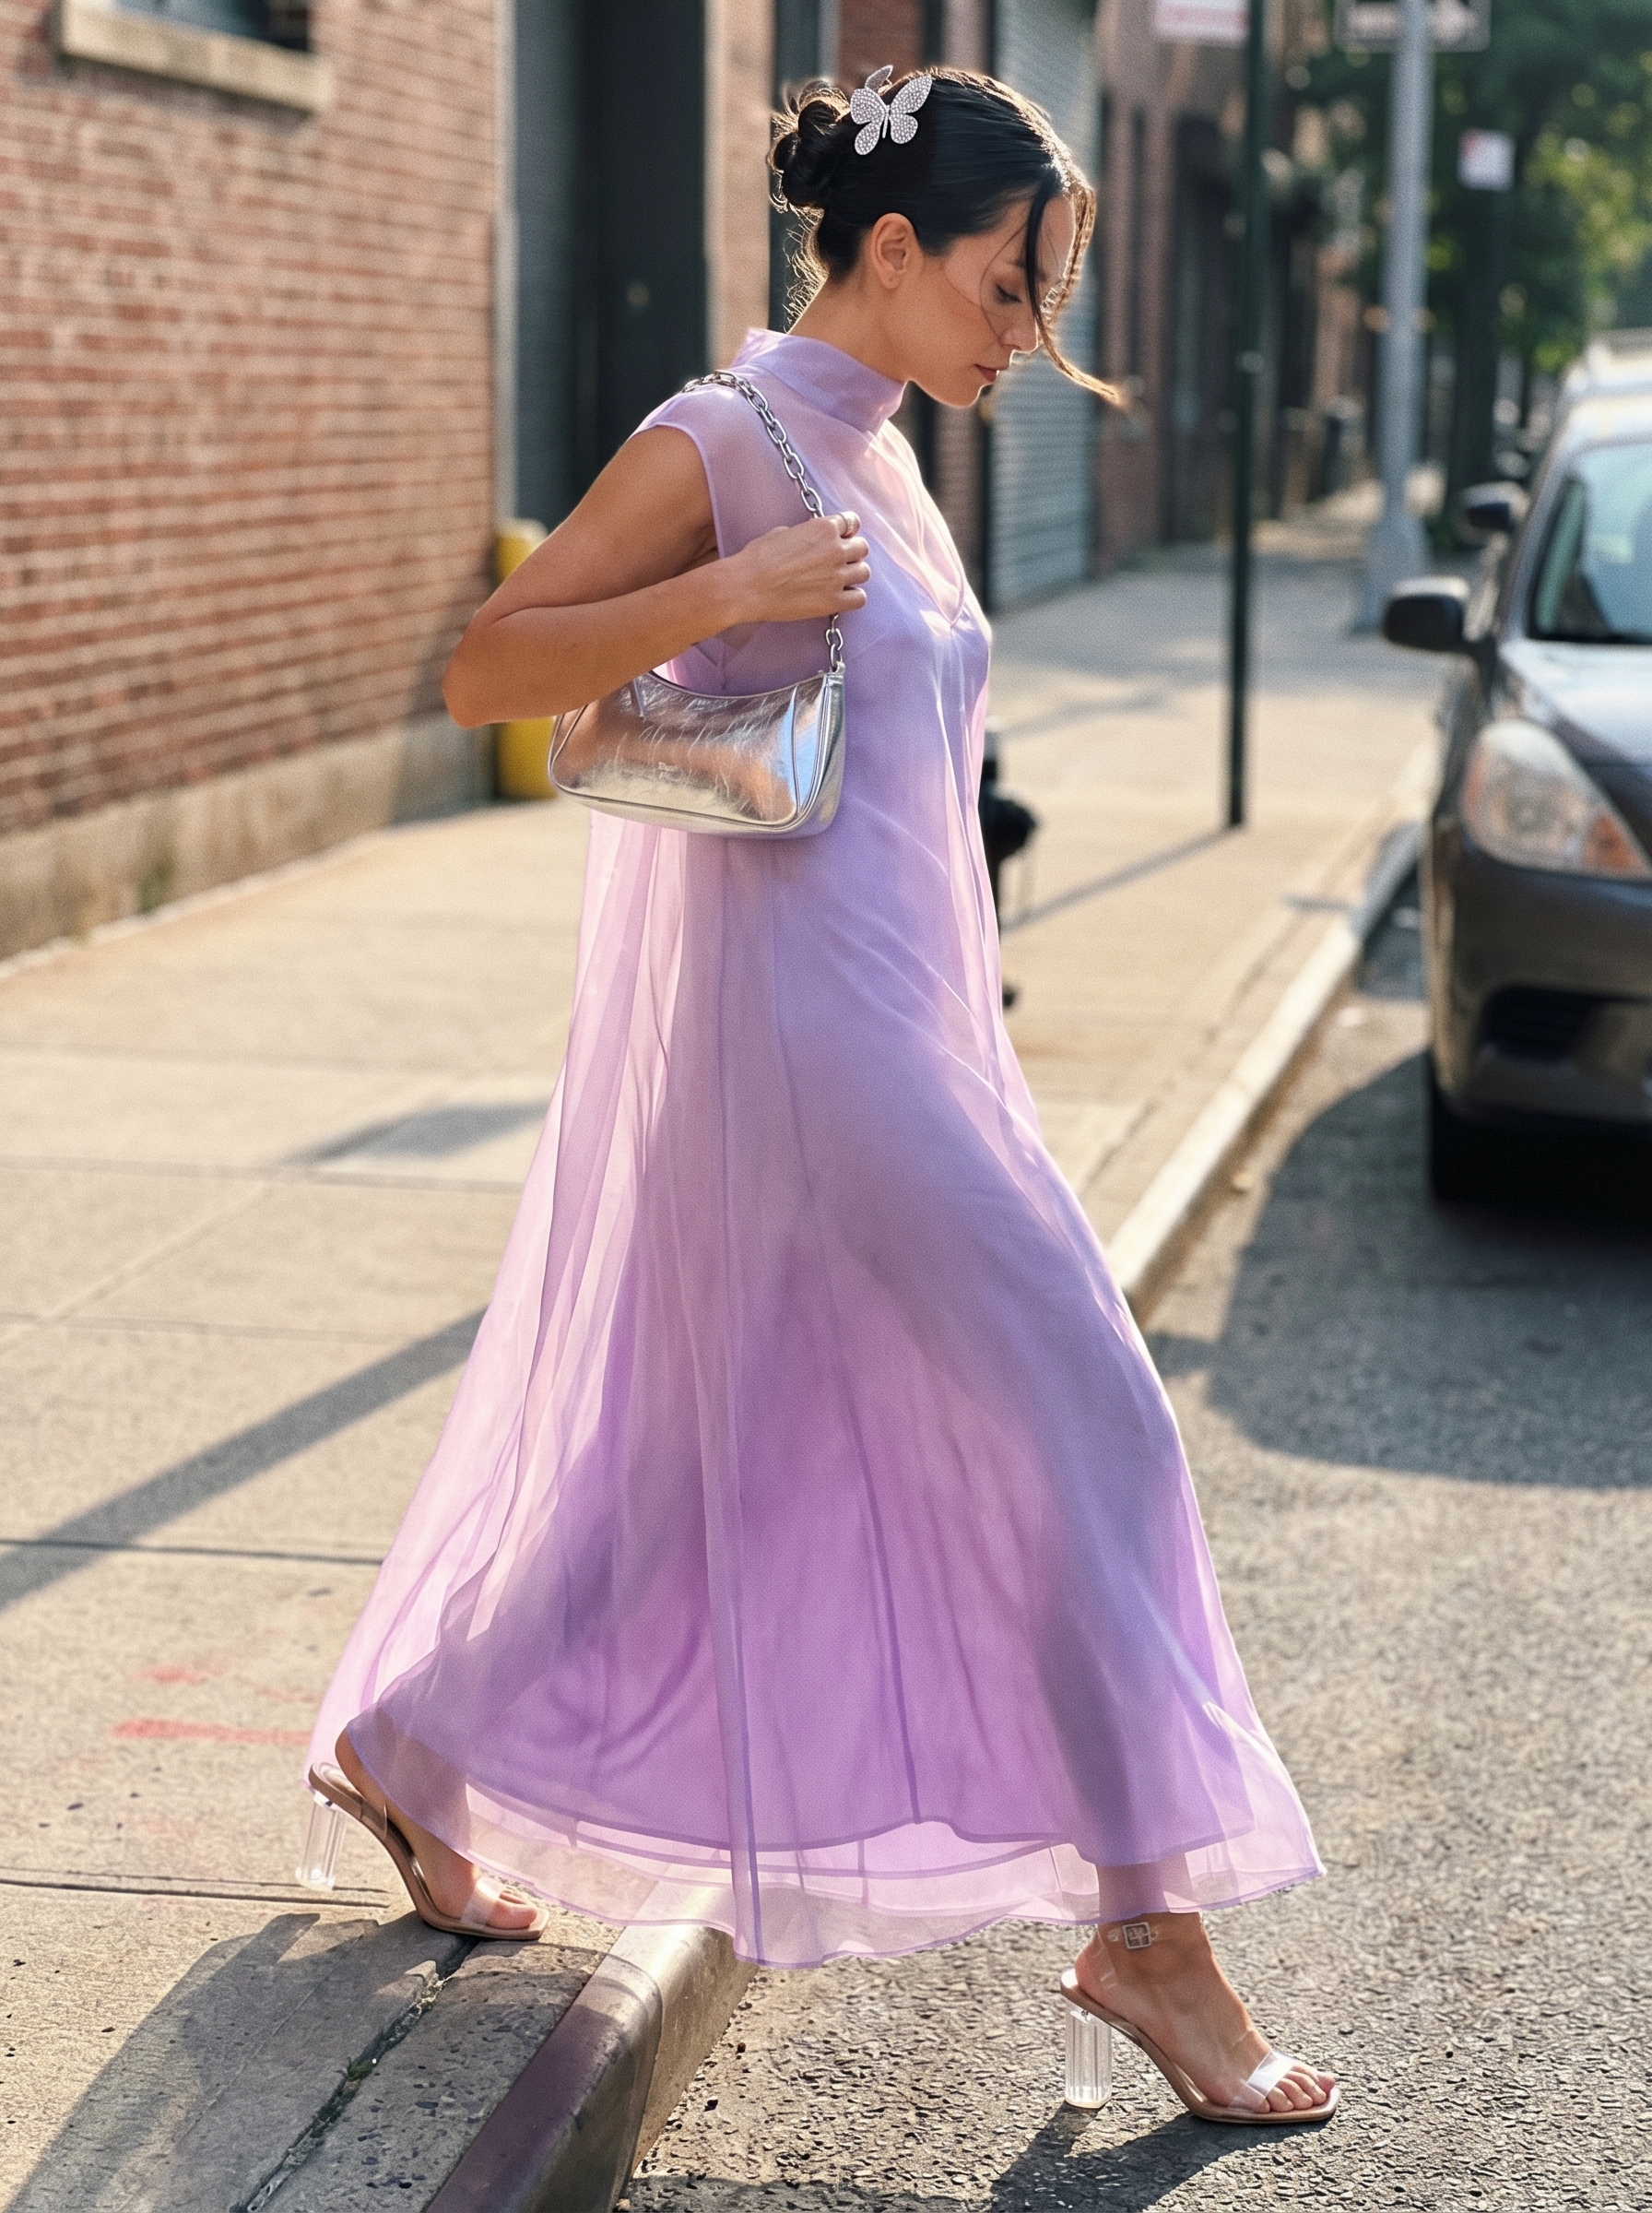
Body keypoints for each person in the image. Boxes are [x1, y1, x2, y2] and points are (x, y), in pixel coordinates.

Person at [303, 65, 1337, 2127]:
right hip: (816, 1057)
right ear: (885, 249)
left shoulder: (885, 455)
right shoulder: (725, 435)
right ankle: (1153, 1938)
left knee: (694, 1465)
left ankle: (410, 1742)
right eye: (1005, 286)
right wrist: (719, 596)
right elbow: (489, 669)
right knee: (1097, 1435)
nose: (1023, 338)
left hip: (905, 1036)